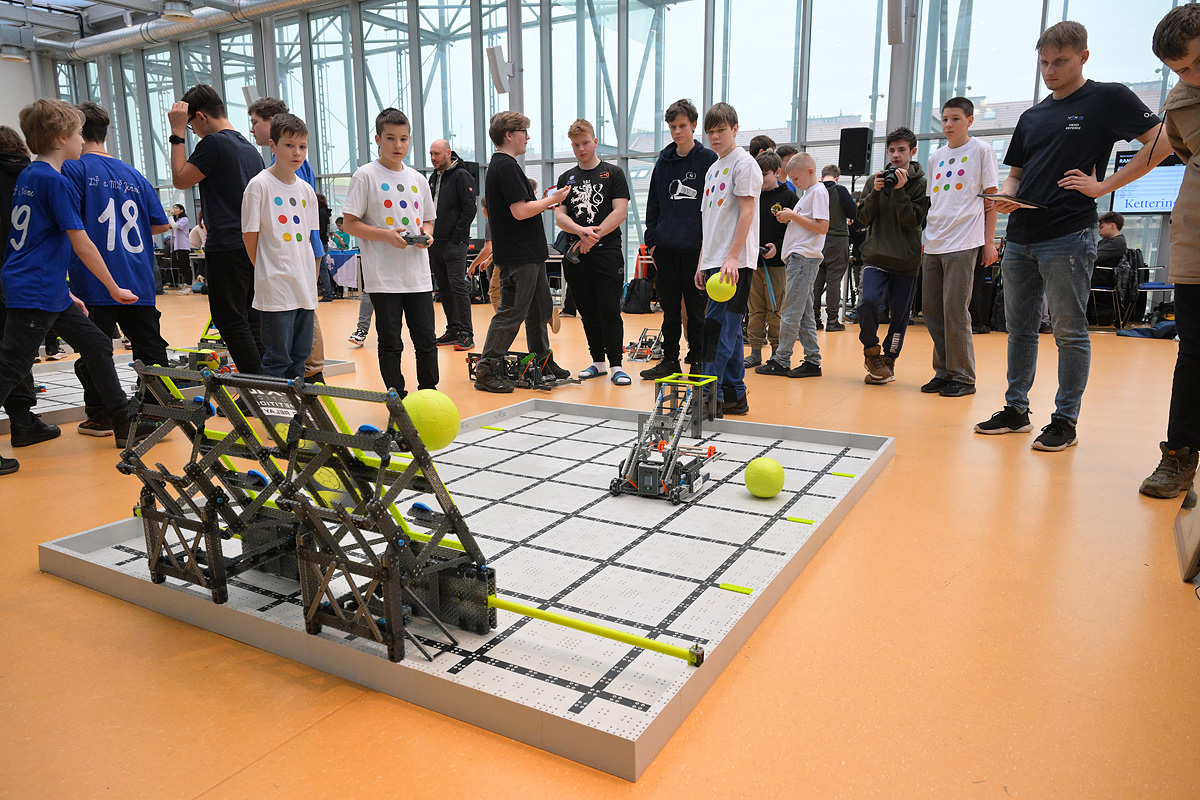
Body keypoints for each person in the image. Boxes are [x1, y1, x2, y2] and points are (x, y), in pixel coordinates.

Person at [975, 20, 1168, 450]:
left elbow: (1162, 142)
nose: (1050, 71)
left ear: (1083, 56)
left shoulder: (1108, 98)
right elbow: (1016, 174)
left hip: (1069, 234)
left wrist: (1104, 187)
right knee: (1019, 329)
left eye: (1060, 61)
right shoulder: (1032, 116)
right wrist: (1006, 196)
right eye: (1044, 63)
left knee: (1069, 331)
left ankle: (1065, 420)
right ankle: (1016, 409)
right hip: (1020, 235)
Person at [0, 100, 145, 475]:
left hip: (43, 286)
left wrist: (66, 292)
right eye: (79, 133)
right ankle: (121, 415)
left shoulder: (31, 175)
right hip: (34, 290)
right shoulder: (56, 182)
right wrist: (113, 287)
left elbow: (36, 241)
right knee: (11, 367)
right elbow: (82, 242)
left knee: (96, 342)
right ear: (60, 138)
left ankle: (122, 419)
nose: (83, 140)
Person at [64, 101, 173, 436]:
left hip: (95, 276)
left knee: (95, 348)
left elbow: (67, 222)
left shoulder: (75, 169)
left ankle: (102, 414)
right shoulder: (134, 174)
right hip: (137, 274)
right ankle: (157, 410)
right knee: (149, 344)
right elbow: (160, 225)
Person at [1141, 4, 1200, 497]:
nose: (1194, 75)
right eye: (1182, 69)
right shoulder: (1180, 103)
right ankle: (1179, 454)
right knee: (1194, 353)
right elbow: (1178, 152)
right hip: (1196, 241)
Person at [168, 84, 265, 375]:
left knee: (230, 320)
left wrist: (176, 132)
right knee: (252, 319)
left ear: (200, 117)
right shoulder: (249, 149)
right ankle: (266, 383)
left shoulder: (214, 143)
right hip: (251, 244)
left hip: (226, 244)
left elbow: (180, 178)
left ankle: (257, 385)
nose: (193, 132)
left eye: (191, 126)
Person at [342, 108, 438, 397]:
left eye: (404, 139)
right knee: (390, 342)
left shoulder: (418, 179)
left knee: (426, 340)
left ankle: (429, 393)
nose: (398, 145)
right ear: (378, 139)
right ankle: (397, 397)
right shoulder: (365, 176)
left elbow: (428, 219)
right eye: (391, 138)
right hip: (383, 279)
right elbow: (350, 223)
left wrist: (427, 235)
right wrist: (386, 235)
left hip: (418, 276)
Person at [473, 111, 571, 393]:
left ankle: (542, 361)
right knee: (512, 312)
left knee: (539, 310)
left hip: (528, 253)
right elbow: (519, 211)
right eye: (523, 132)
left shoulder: (506, 166)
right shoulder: (505, 167)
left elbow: (520, 209)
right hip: (519, 256)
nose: (527, 138)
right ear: (509, 135)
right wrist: (550, 200)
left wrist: (545, 202)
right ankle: (486, 369)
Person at [920, 97, 999, 399]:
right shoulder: (936, 157)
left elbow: (991, 200)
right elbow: (936, 202)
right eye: (945, 119)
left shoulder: (982, 150)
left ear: (969, 121)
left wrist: (988, 242)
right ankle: (943, 371)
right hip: (934, 242)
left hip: (964, 242)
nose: (949, 124)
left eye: (955, 118)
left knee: (955, 310)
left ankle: (963, 376)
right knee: (932, 310)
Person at [248, 97, 328, 381]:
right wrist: (267, 269)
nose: (297, 153)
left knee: (299, 358)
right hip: (276, 288)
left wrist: (309, 279)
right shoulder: (259, 186)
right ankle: (276, 408)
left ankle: (297, 406)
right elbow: (250, 237)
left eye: (302, 147)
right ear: (273, 146)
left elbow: (309, 239)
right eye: (289, 145)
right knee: (277, 359)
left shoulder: (306, 190)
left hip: (303, 286)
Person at [641, 99, 717, 380]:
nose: (677, 132)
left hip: (696, 250)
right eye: (672, 127)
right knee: (669, 309)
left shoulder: (709, 160)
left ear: (694, 125)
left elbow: (714, 207)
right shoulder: (663, 162)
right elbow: (653, 205)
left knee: (696, 309)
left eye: (682, 126)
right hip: (666, 248)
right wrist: (653, 242)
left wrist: (708, 246)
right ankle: (670, 359)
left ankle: (697, 359)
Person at [694, 102, 760, 416]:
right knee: (728, 331)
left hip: (734, 263)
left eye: (721, 130)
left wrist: (732, 257)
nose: (715, 137)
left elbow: (747, 213)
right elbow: (709, 220)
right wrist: (702, 261)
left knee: (716, 329)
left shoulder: (745, 164)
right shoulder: (713, 168)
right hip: (713, 260)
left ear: (735, 129)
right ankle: (735, 394)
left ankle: (709, 397)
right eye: (710, 132)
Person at [555, 119, 632, 385]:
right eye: (576, 145)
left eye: (585, 143)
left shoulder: (613, 173)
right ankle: (598, 361)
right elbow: (560, 215)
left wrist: (592, 236)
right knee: (587, 311)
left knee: (609, 309)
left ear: (595, 141)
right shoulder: (566, 178)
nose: (581, 149)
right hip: (577, 253)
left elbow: (619, 211)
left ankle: (616, 365)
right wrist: (581, 232)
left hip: (607, 252)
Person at [856, 126, 930, 385]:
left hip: (906, 261)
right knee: (867, 302)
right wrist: (875, 193)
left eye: (901, 150)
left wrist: (899, 190)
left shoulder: (921, 185)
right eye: (891, 150)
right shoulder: (874, 180)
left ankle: (889, 359)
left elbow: (911, 221)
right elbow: (863, 218)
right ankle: (871, 351)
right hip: (875, 256)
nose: (896, 155)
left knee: (899, 315)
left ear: (912, 151)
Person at [0, 124, 54, 449]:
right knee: (17, 350)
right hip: (26, 275)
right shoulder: (33, 175)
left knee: (9, 354)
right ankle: (22, 422)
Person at [756, 153, 829, 378]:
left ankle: (782, 359)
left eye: (796, 178)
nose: (794, 183)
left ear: (810, 171)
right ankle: (812, 360)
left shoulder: (818, 192)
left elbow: (822, 227)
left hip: (804, 259)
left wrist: (793, 216)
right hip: (799, 259)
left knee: (790, 311)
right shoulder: (809, 194)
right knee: (804, 314)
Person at [744, 151, 795, 368]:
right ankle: (755, 351)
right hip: (753, 263)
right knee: (755, 310)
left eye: (765, 174)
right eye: (758, 174)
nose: (761, 179)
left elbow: (796, 232)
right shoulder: (752, 197)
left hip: (777, 265)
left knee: (776, 310)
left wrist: (778, 247)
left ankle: (777, 352)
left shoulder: (789, 198)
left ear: (777, 172)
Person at [428, 138, 478, 351]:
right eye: (431, 154)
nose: (433, 158)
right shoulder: (434, 177)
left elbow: (470, 208)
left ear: (448, 153)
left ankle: (467, 334)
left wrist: (457, 236)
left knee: (457, 286)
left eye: (437, 154)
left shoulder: (461, 175)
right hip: (435, 241)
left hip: (454, 242)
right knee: (444, 288)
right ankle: (454, 329)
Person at [812, 165, 856, 331]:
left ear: (822, 176)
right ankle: (832, 321)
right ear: (837, 178)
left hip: (818, 240)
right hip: (838, 241)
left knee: (816, 282)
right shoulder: (840, 190)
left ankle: (814, 319)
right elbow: (854, 212)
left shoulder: (815, 191)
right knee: (834, 282)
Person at [168, 204, 192, 289]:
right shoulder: (177, 220)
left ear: (181, 210)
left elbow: (174, 226)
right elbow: (170, 225)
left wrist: (170, 216)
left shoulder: (184, 219)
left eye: (176, 208)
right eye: (173, 208)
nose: (174, 209)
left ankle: (188, 283)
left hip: (183, 246)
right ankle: (180, 283)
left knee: (185, 265)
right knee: (179, 265)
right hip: (176, 246)